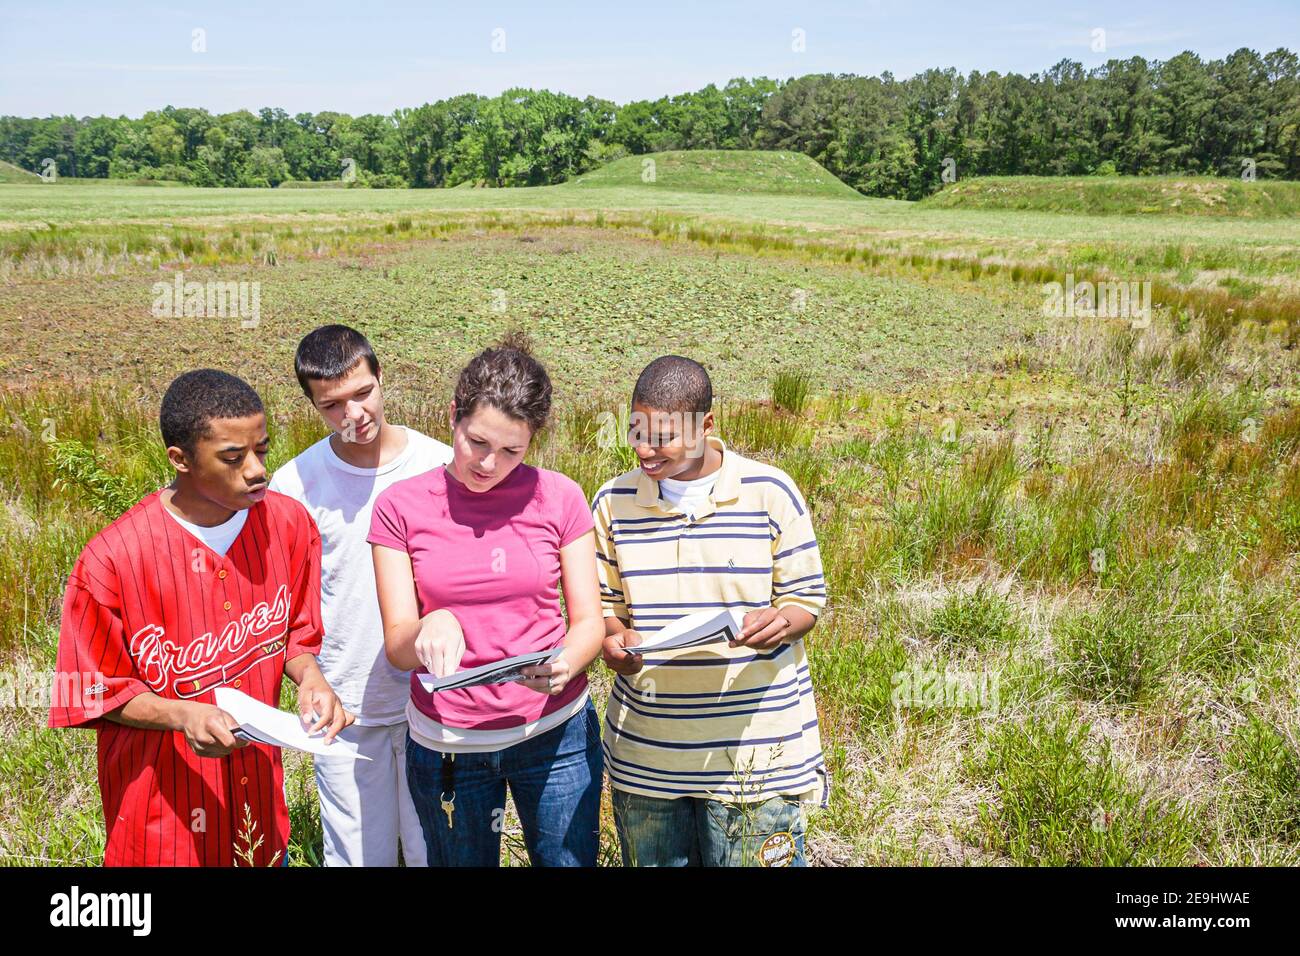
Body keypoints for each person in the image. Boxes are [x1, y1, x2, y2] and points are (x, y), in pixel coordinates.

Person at [48, 369, 352, 866]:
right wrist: (182, 714)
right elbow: (91, 691)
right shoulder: (112, 559)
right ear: (181, 459)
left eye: (262, 449)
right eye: (233, 458)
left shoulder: (289, 525)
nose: (257, 470)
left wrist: (311, 679)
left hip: (256, 798)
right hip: (160, 809)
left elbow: (295, 634)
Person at [369, 333, 604, 867]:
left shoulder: (561, 497)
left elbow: (589, 620)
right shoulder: (399, 508)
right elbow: (398, 646)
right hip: (449, 743)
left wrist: (565, 664)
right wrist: (431, 626)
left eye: (511, 451)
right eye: (476, 442)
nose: (488, 464)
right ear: (453, 415)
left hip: (555, 734)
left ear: (533, 443)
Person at [595, 355, 829, 867]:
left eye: (662, 437)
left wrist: (780, 623)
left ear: (706, 425)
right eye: (636, 431)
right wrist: (614, 641)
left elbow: (806, 599)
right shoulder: (613, 502)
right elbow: (606, 610)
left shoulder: (771, 493)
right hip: (649, 758)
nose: (644, 450)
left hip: (756, 762)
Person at [269, 325, 451, 867]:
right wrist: (308, 677)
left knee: (435, 852)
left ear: (381, 378)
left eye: (363, 393)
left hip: (437, 701)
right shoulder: (293, 484)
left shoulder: (440, 465)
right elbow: (282, 606)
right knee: (357, 857)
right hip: (345, 708)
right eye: (332, 405)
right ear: (312, 405)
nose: (354, 414)